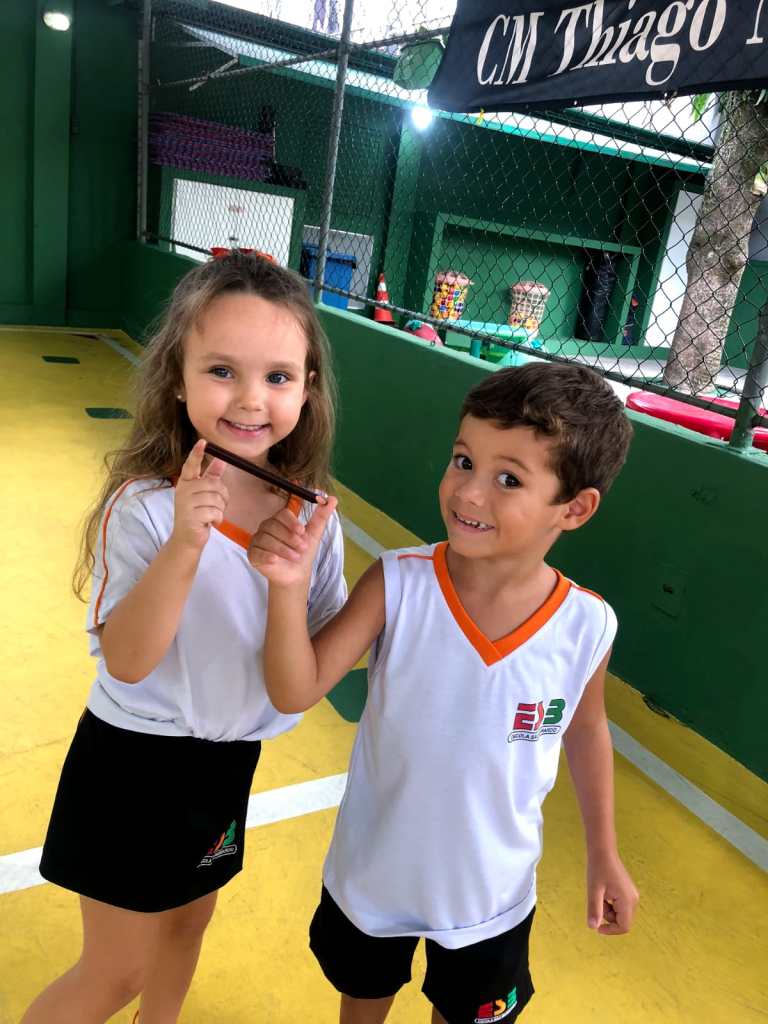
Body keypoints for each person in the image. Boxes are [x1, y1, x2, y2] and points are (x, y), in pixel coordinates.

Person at [250, 362, 639, 1024]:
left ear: (574, 508)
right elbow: (295, 690)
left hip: (491, 896)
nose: (469, 493)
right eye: (463, 461)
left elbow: (585, 728)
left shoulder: (587, 625)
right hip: (375, 876)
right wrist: (286, 588)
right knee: (361, 1004)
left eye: (508, 479)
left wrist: (604, 852)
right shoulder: (398, 583)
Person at [22, 252, 346, 1024]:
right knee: (116, 971)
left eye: (277, 376)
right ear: (177, 377)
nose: (250, 398)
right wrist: (185, 545)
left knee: (190, 922)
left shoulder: (311, 518)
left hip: (227, 760)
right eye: (222, 370)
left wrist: (289, 582)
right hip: (133, 763)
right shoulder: (144, 507)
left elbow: (305, 667)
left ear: (307, 388)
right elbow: (128, 661)